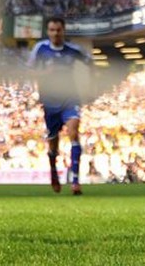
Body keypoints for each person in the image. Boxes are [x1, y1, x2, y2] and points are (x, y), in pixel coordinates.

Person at [26, 16, 90, 195]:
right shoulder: (41, 49)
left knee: (74, 132)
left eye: (58, 30)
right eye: (52, 30)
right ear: (48, 32)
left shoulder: (73, 50)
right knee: (53, 143)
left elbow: (90, 61)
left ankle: (76, 181)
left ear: (64, 30)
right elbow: (29, 70)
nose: (55, 33)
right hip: (50, 102)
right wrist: (45, 73)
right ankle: (53, 171)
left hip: (70, 98)